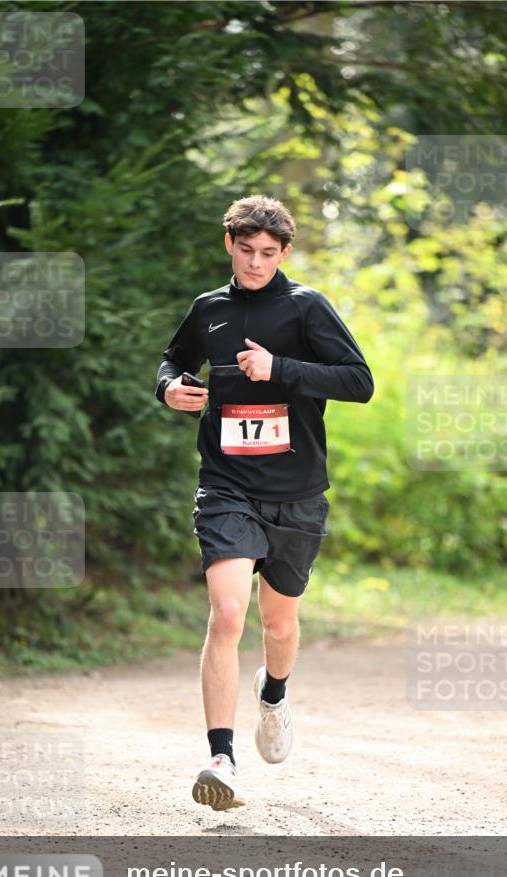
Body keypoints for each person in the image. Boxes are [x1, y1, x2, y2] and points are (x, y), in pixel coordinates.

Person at [155, 195, 374, 810]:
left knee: (278, 623)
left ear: (285, 253)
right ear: (229, 244)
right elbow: (173, 360)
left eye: (268, 254)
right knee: (228, 614)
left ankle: (273, 695)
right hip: (227, 486)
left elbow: (359, 381)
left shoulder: (306, 308)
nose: (255, 263)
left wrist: (281, 368)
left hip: (298, 494)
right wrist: (171, 388)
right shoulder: (210, 310)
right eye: (246, 251)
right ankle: (220, 757)